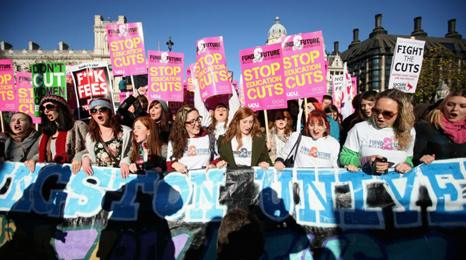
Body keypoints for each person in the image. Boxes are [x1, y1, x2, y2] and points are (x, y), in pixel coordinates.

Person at [340, 89, 415, 174]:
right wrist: (365, 161)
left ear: (401, 113)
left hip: (396, 184)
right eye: (376, 111)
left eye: (387, 113)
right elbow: (344, 157)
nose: (380, 116)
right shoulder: (360, 128)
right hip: (366, 183)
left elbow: (408, 158)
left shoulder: (409, 131)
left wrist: (406, 164)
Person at [25, 95, 88, 174]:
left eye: (49, 106)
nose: (46, 111)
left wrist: (79, 157)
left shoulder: (78, 126)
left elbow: (90, 148)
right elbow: (46, 153)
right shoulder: (46, 133)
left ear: (60, 108)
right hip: (51, 176)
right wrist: (34, 159)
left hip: (74, 174)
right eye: (43, 108)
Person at [79, 98, 132, 177]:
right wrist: (86, 158)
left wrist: (126, 162)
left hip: (121, 177)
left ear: (110, 112)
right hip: (101, 180)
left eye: (102, 110)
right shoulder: (90, 136)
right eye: (94, 111)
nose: (98, 114)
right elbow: (90, 154)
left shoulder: (125, 132)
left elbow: (132, 152)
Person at [413, 89, 466, 165]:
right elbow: (412, 156)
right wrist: (421, 158)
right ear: (443, 106)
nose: (455, 109)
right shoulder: (424, 127)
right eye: (450, 104)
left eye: (462, 106)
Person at [275, 110, 340, 170]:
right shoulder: (297, 138)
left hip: (323, 181)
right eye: (311, 125)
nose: (315, 129)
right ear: (307, 126)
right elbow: (282, 155)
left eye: (319, 125)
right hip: (301, 181)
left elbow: (335, 167)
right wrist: (279, 162)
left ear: (325, 126)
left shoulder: (333, 143)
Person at [166, 105, 217, 173]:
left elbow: (217, 159)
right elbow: (169, 165)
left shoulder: (209, 138)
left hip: (206, 180)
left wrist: (213, 165)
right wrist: (175, 165)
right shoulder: (174, 141)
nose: (197, 124)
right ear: (183, 124)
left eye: (198, 119)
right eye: (192, 121)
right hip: (184, 181)